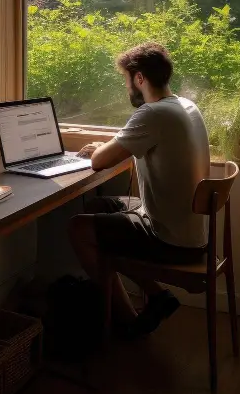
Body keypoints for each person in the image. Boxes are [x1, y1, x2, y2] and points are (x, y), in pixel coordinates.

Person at [69, 42, 210, 337]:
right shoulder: (185, 106)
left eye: (127, 80)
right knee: (99, 207)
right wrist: (109, 147)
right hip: (189, 229)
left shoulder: (152, 114)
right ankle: (157, 298)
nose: (127, 88)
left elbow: (98, 162)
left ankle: (129, 320)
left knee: (78, 228)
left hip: (170, 240)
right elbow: (127, 145)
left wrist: (102, 150)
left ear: (140, 79)